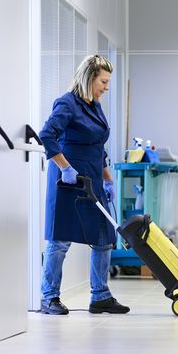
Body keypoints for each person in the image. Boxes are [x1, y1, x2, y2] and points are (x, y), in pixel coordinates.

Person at [37, 54, 130, 315]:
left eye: (108, 81)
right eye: (103, 81)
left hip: (93, 178)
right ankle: (49, 297)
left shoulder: (95, 105)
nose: (106, 87)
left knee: (103, 238)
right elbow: (47, 135)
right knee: (60, 239)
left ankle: (100, 295)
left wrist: (109, 180)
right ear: (89, 78)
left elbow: (98, 147)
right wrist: (65, 167)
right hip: (68, 179)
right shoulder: (67, 103)